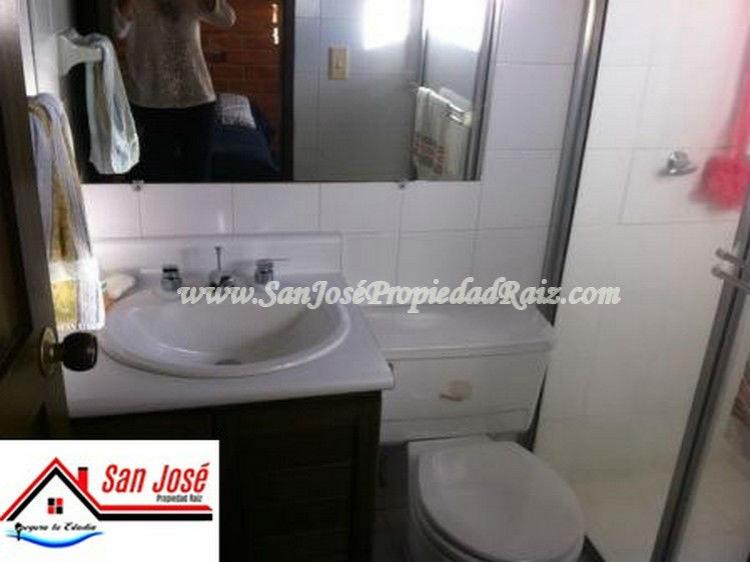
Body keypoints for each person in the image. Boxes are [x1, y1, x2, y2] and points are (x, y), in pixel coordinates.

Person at [116, 0, 236, 182]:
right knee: (150, 181)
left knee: (197, 179)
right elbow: (116, 29)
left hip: (197, 99)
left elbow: (227, 19)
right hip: (148, 102)